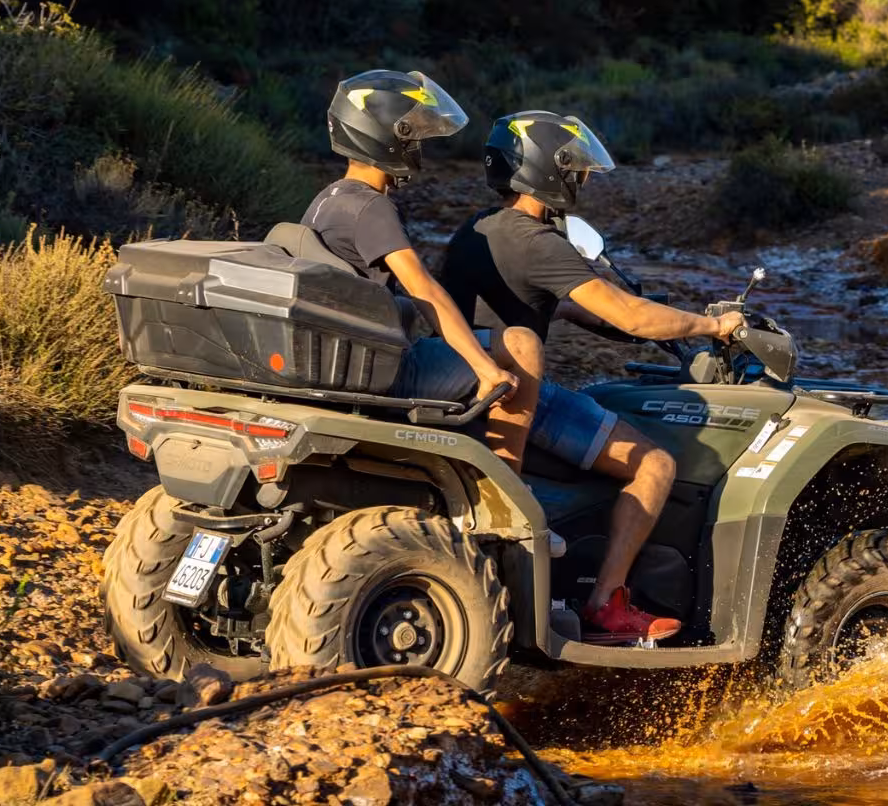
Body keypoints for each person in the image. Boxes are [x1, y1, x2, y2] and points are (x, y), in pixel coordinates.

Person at [434, 111, 744, 645]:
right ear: (546, 171)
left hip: (462, 383)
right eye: (574, 170)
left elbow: (528, 306)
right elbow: (629, 314)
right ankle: (607, 604)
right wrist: (713, 324)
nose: (579, 182)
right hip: (515, 388)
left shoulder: (477, 230)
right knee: (655, 464)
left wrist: (602, 315)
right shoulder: (540, 242)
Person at [301, 70, 536, 457]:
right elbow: (422, 287)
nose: (418, 148)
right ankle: (507, 487)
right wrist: (485, 368)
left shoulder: (328, 198)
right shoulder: (372, 206)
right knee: (523, 344)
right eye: (412, 136)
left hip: (340, 358)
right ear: (388, 136)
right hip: (380, 371)